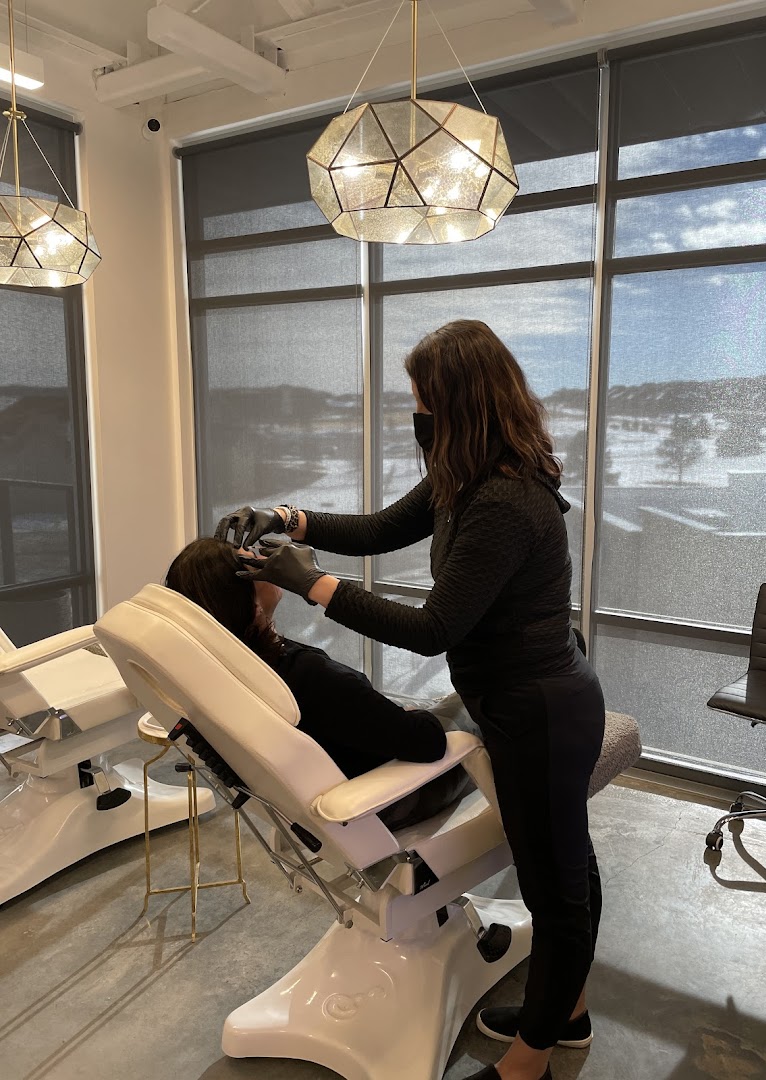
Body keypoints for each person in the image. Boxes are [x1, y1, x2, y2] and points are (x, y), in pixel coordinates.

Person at [217, 319, 606, 1080]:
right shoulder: (465, 475)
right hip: (509, 698)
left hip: (540, 712)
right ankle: (566, 1012)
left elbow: (433, 630)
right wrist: (290, 519)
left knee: (556, 887)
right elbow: (381, 528)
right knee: (563, 869)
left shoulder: (504, 499)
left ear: (461, 403)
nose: (417, 414)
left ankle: (529, 1062)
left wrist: (312, 584)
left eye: (424, 401)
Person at [165, 537, 476, 833]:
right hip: (390, 798)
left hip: (326, 795)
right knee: (483, 700)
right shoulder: (307, 676)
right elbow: (428, 742)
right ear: (250, 603)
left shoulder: (226, 673)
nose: (265, 561)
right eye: (255, 564)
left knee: (440, 702)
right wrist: (408, 717)